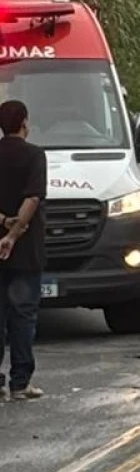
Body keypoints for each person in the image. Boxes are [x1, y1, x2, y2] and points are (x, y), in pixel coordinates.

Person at [0, 100, 47, 399]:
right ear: (25, 124)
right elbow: (33, 199)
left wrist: (3, 222)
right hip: (26, 251)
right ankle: (20, 382)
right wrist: (13, 235)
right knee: (23, 316)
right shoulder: (35, 155)